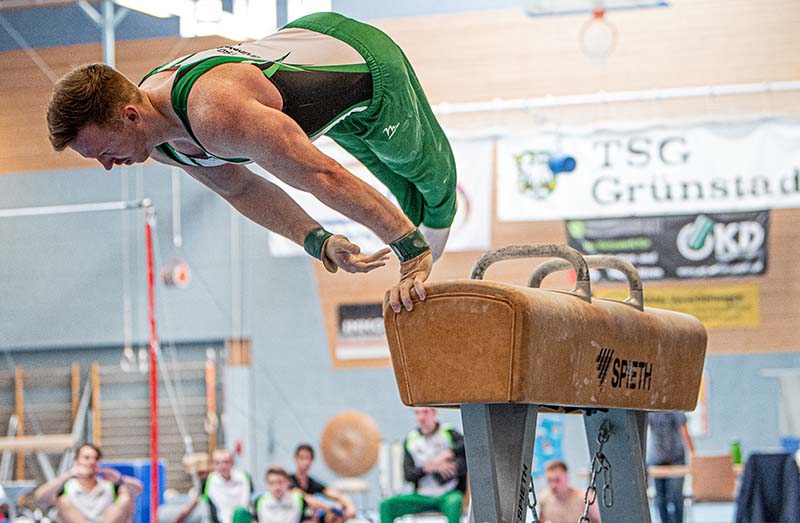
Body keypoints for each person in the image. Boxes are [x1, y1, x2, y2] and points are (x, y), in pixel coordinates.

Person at [46, 12, 459, 313]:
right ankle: (420, 233)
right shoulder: (158, 142)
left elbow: (321, 174)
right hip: (326, 96)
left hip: (364, 63)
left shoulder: (214, 112)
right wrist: (318, 241)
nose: (105, 165)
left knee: (425, 174)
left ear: (130, 116)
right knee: (396, 182)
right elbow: (239, 188)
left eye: (103, 151)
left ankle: (434, 232)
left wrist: (409, 248)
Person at [379, 407, 467, 523]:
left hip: (448, 494)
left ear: (434, 413)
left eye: (425, 412)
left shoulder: (448, 432)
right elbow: (408, 475)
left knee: (455, 502)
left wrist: (446, 456)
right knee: (386, 505)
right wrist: (428, 467)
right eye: (417, 413)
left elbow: (467, 445)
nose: (421, 417)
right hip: (422, 495)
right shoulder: (411, 439)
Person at [34, 443, 144, 523]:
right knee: (63, 500)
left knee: (125, 498)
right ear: (77, 461)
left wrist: (120, 479)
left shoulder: (108, 485)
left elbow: (138, 489)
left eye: (95, 458)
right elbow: (40, 498)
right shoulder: (67, 486)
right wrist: (68, 475)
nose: (91, 461)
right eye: (86, 458)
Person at [173, 448, 254, 523]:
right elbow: (193, 504)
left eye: (226, 462)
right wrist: (177, 520)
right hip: (221, 520)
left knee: (240, 513)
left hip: (243, 519)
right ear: (214, 465)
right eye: (218, 463)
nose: (223, 466)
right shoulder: (209, 481)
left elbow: (249, 502)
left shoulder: (244, 478)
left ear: (232, 463)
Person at [647, 412, 695, 523]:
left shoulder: (676, 409)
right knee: (660, 497)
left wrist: (694, 455)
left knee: (676, 496)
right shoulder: (650, 411)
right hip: (656, 457)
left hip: (676, 457)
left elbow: (684, 431)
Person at [290, 444, 355, 522]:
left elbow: (334, 494)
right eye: (302, 458)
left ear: (312, 461)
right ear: (295, 459)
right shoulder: (288, 481)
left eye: (307, 458)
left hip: (312, 516)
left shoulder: (312, 482)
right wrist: (331, 508)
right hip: (297, 518)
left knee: (337, 512)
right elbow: (306, 498)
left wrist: (349, 506)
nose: (305, 462)